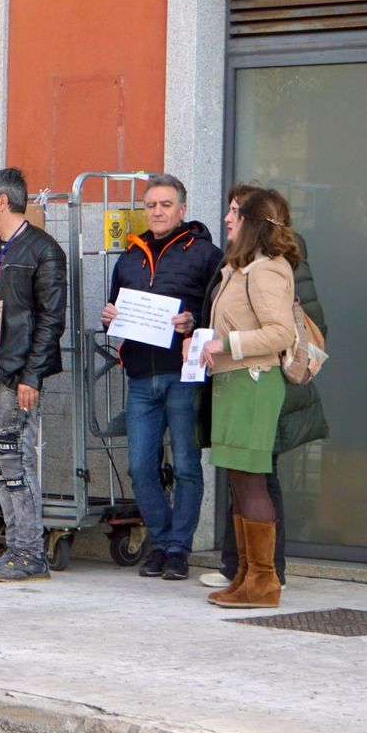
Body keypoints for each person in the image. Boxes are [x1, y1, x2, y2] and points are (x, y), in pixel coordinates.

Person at [203, 186, 328, 591]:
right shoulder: (242, 267)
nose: (228, 220)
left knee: (253, 480)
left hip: (253, 381)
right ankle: (245, 575)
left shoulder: (268, 269)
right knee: (241, 480)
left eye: (237, 216)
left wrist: (225, 344)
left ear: (253, 225)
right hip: (234, 381)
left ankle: (262, 581)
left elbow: (278, 334)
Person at [98, 173, 220, 582]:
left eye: (166, 204)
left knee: (186, 464)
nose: (158, 211)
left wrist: (194, 320)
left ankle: (178, 550)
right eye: (151, 205)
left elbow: (220, 313)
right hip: (139, 377)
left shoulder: (205, 254)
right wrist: (109, 316)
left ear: (182, 209)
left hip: (183, 375)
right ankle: (162, 541)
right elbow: (115, 308)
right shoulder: (129, 257)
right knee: (139, 466)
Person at [0, 168, 67, 583]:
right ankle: (15, 548)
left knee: (16, 459)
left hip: (14, 374)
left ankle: (30, 552)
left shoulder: (43, 251)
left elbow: (50, 319)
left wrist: (31, 376)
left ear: (2, 202)